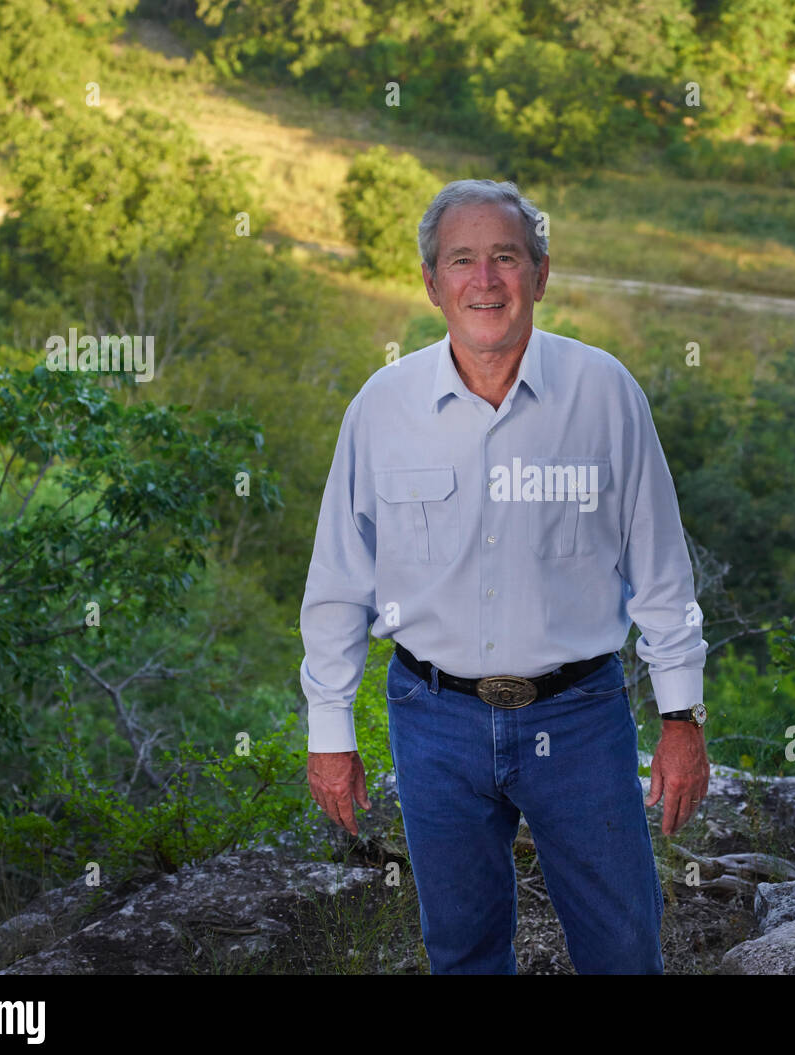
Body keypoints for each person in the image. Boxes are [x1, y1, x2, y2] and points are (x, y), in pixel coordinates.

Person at [299, 178, 709, 974]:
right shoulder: (382, 408)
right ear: (431, 282)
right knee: (463, 952)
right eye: (462, 260)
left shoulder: (605, 395)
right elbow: (339, 583)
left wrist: (681, 716)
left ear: (541, 274)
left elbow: (662, 570)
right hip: (432, 718)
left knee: (625, 947)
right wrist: (329, 732)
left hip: (581, 718)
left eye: (506, 258)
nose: (485, 281)